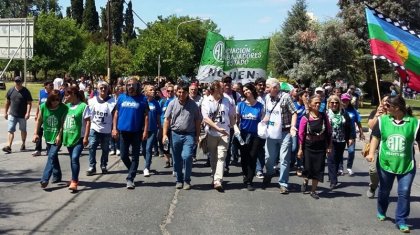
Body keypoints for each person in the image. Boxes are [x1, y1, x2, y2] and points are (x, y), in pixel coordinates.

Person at [367, 95, 419, 233]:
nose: (385, 107)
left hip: (406, 165)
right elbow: (375, 137)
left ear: (397, 108)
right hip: (385, 163)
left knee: (404, 192)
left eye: (388, 106)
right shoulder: (383, 120)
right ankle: (381, 209)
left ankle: (401, 220)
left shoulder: (414, 123)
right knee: (384, 190)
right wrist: (371, 153)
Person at [162, 83, 202, 190]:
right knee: (177, 159)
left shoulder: (193, 105)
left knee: (187, 156)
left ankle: (187, 180)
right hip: (175, 134)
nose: (181, 94)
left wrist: (197, 136)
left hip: (189, 134)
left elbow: (198, 120)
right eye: (179, 92)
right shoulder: (172, 103)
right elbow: (167, 119)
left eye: (183, 92)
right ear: (176, 92)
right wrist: (164, 134)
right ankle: (179, 180)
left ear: (187, 93)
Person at [112, 77, 149, 189]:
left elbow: (146, 116)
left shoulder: (142, 99)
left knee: (135, 157)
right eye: (129, 85)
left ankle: (130, 178)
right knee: (123, 155)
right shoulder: (122, 97)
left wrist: (146, 130)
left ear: (137, 86)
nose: (131, 87)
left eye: (133, 85)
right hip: (123, 131)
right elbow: (116, 114)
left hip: (136, 132)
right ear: (126, 86)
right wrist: (114, 128)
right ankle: (132, 170)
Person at [262, 78, 297, 194]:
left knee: (284, 159)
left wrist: (292, 126)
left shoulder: (286, 97)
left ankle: (283, 183)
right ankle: (270, 172)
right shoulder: (267, 98)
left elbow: (294, 112)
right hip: (271, 132)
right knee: (269, 158)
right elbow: (267, 113)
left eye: (267, 87)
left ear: (275, 88)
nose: (265, 89)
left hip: (284, 132)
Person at [201, 81, 235, 191]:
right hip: (211, 133)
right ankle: (215, 174)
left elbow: (232, 115)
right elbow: (206, 118)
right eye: (221, 87)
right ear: (215, 89)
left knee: (221, 157)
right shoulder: (206, 101)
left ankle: (217, 180)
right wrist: (217, 128)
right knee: (213, 157)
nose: (224, 89)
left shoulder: (228, 100)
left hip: (225, 133)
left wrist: (233, 126)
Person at [298, 95, 332, 199]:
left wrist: (329, 146)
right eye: (315, 103)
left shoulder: (323, 116)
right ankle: (305, 181)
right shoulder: (305, 118)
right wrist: (300, 149)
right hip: (308, 146)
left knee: (318, 169)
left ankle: (313, 191)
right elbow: (301, 134)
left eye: (319, 103)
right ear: (310, 105)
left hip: (320, 146)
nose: (318, 104)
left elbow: (329, 131)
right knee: (308, 168)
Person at [34, 90, 68, 188]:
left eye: (57, 100)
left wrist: (59, 135)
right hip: (48, 135)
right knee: (53, 156)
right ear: (49, 99)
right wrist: (35, 133)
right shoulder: (44, 106)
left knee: (51, 155)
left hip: (58, 136)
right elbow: (39, 120)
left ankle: (45, 179)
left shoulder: (63, 108)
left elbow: (63, 123)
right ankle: (57, 176)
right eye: (53, 100)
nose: (55, 102)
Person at [236, 83, 265, 191]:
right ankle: (245, 174)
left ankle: (249, 180)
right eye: (244, 90)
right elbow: (236, 120)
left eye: (247, 89)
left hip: (255, 135)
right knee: (244, 157)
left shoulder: (260, 106)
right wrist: (236, 130)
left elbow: (262, 121)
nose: (246, 92)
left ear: (252, 90)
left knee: (252, 157)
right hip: (243, 134)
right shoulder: (241, 105)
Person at [62, 86, 90, 191]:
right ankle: (74, 177)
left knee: (74, 158)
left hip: (79, 137)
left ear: (73, 94)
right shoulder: (67, 106)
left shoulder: (83, 106)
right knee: (72, 159)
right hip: (68, 136)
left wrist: (86, 137)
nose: (66, 97)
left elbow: (88, 122)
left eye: (67, 95)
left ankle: (74, 181)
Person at [86, 81, 116, 176]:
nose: (103, 90)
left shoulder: (112, 102)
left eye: (105, 88)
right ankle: (92, 166)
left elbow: (115, 115)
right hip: (94, 128)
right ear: (98, 89)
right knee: (92, 147)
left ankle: (103, 165)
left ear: (108, 89)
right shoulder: (92, 101)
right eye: (101, 88)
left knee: (105, 149)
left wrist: (114, 128)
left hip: (106, 129)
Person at [326, 95, 355, 189]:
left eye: (336, 102)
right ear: (329, 104)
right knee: (331, 159)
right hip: (330, 141)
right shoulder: (325, 114)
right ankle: (333, 181)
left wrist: (351, 138)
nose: (334, 104)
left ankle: (332, 175)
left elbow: (350, 126)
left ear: (339, 104)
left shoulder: (344, 113)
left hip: (341, 140)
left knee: (338, 159)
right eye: (332, 102)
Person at [366, 95, 389, 198]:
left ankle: (384, 191)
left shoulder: (394, 114)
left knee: (386, 173)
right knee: (373, 171)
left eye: (388, 101)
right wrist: (377, 115)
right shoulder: (375, 113)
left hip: (388, 148)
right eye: (384, 101)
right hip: (375, 147)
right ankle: (373, 186)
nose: (386, 103)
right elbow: (370, 126)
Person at [3, 76, 33, 153]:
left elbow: (29, 103)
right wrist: (5, 112)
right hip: (12, 114)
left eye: (19, 81)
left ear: (21, 82)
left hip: (22, 115)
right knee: (10, 130)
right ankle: (9, 146)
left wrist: (28, 113)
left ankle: (23, 144)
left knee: (23, 130)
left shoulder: (26, 91)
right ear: (14, 82)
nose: (18, 83)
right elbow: (7, 102)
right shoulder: (11, 90)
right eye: (16, 81)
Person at [340, 93, 365, 176]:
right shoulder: (338, 110)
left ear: (349, 101)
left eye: (346, 100)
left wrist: (361, 133)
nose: (345, 102)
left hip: (351, 135)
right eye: (343, 100)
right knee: (340, 152)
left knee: (351, 151)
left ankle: (349, 167)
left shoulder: (353, 110)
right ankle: (340, 168)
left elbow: (358, 122)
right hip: (341, 134)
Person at [222, 75, 241, 174]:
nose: (227, 84)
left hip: (232, 125)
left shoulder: (236, 95)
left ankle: (225, 166)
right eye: (225, 82)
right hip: (221, 124)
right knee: (220, 146)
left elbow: (239, 108)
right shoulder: (220, 94)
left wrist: (237, 121)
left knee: (228, 146)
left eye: (229, 82)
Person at [141, 84, 161, 177]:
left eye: (154, 90)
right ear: (146, 92)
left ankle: (146, 168)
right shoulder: (142, 102)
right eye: (151, 90)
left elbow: (158, 116)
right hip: (142, 129)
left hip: (152, 129)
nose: (153, 91)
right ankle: (148, 160)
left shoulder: (156, 102)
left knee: (149, 148)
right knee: (144, 150)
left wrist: (160, 128)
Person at [33, 80, 54, 156]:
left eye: (52, 85)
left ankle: (49, 149)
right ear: (45, 86)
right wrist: (36, 113)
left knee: (48, 132)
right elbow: (39, 103)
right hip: (41, 115)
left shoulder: (53, 93)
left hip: (50, 116)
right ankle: (38, 149)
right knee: (39, 132)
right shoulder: (41, 92)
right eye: (50, 85)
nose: (52, 86)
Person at [159, 84, 175, 168]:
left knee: (174, 144)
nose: (170, 93)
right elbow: (159, 113)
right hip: (163, 126)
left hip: (173, 127)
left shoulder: (176, 101)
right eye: (168, 91)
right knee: (165, 144)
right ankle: (167, 160)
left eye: (172, 91)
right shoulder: (163, 101)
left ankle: (174, 159)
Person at [189, 83, 203, 162]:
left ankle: (193, 154)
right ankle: (189, 154)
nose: (193, 91)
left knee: (195, 138)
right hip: (188, 122)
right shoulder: (186, 98)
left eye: (195, 90)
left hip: (197, 122)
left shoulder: (201, 99)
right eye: (192, 89)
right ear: (189, 90)